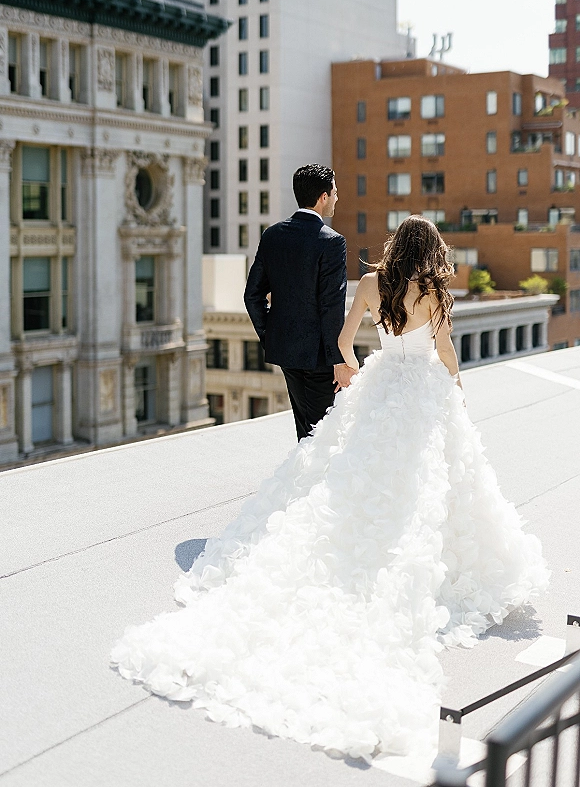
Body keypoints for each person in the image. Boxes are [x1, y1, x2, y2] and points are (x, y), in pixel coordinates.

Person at [111, 216, 548, 762]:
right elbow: (444, 352)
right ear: (431, 249)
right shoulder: (433, 290)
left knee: (356, 475)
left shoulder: (370, 284)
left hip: (383, 385)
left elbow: (343, 342)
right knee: (433, 484)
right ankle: (446, 569)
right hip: (423, 395)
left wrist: (360, 369)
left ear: (395, 246)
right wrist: (455, 388)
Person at [244, 164, 356, 440]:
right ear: (322, 197)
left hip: (287, 352)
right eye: (334, 192)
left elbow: (252, 295)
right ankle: (310, 481)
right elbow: (331, 306)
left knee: (307, 430)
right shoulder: (332, 242)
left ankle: (304, 480)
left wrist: (270, 335)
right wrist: (339, 361)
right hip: (319, 359)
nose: (337, 198)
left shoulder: (273, 234)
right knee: (321, 436)